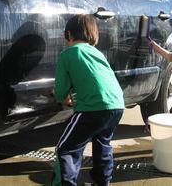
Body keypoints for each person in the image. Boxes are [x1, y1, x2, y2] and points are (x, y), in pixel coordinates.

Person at [52, 14, 125, 186]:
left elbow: (61, 90)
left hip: (92, 109)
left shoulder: (68, 54)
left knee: (66, 149)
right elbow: (97, 81)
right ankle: (102, 182)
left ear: (69, 35)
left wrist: (62, 97)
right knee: (103, 144)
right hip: (116, 105)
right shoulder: (98, 53)